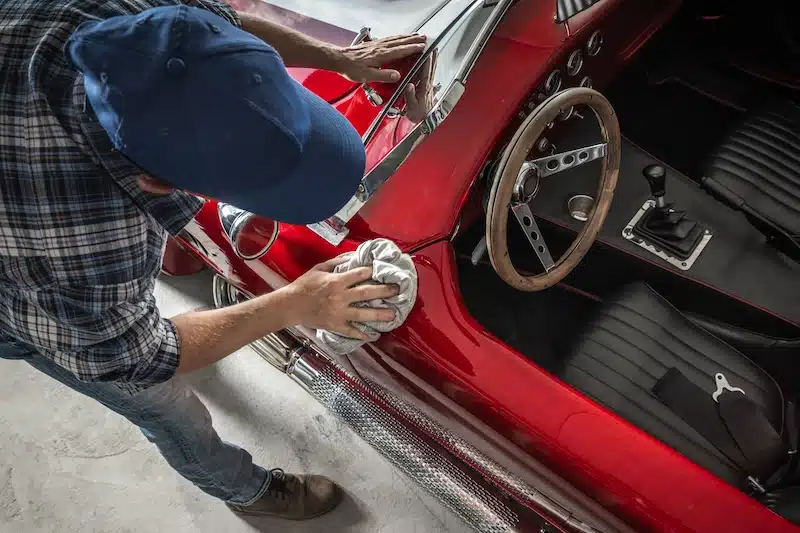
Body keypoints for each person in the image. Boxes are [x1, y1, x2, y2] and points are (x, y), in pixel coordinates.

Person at [0, 0, 425, 521]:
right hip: (19, 292)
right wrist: (296, 303)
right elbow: (134, 357)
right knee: (163, 406)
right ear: (157, 182)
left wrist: (340, 57)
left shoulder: (137, 20)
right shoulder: (82, 239)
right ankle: (244, 490)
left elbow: (220, 20)